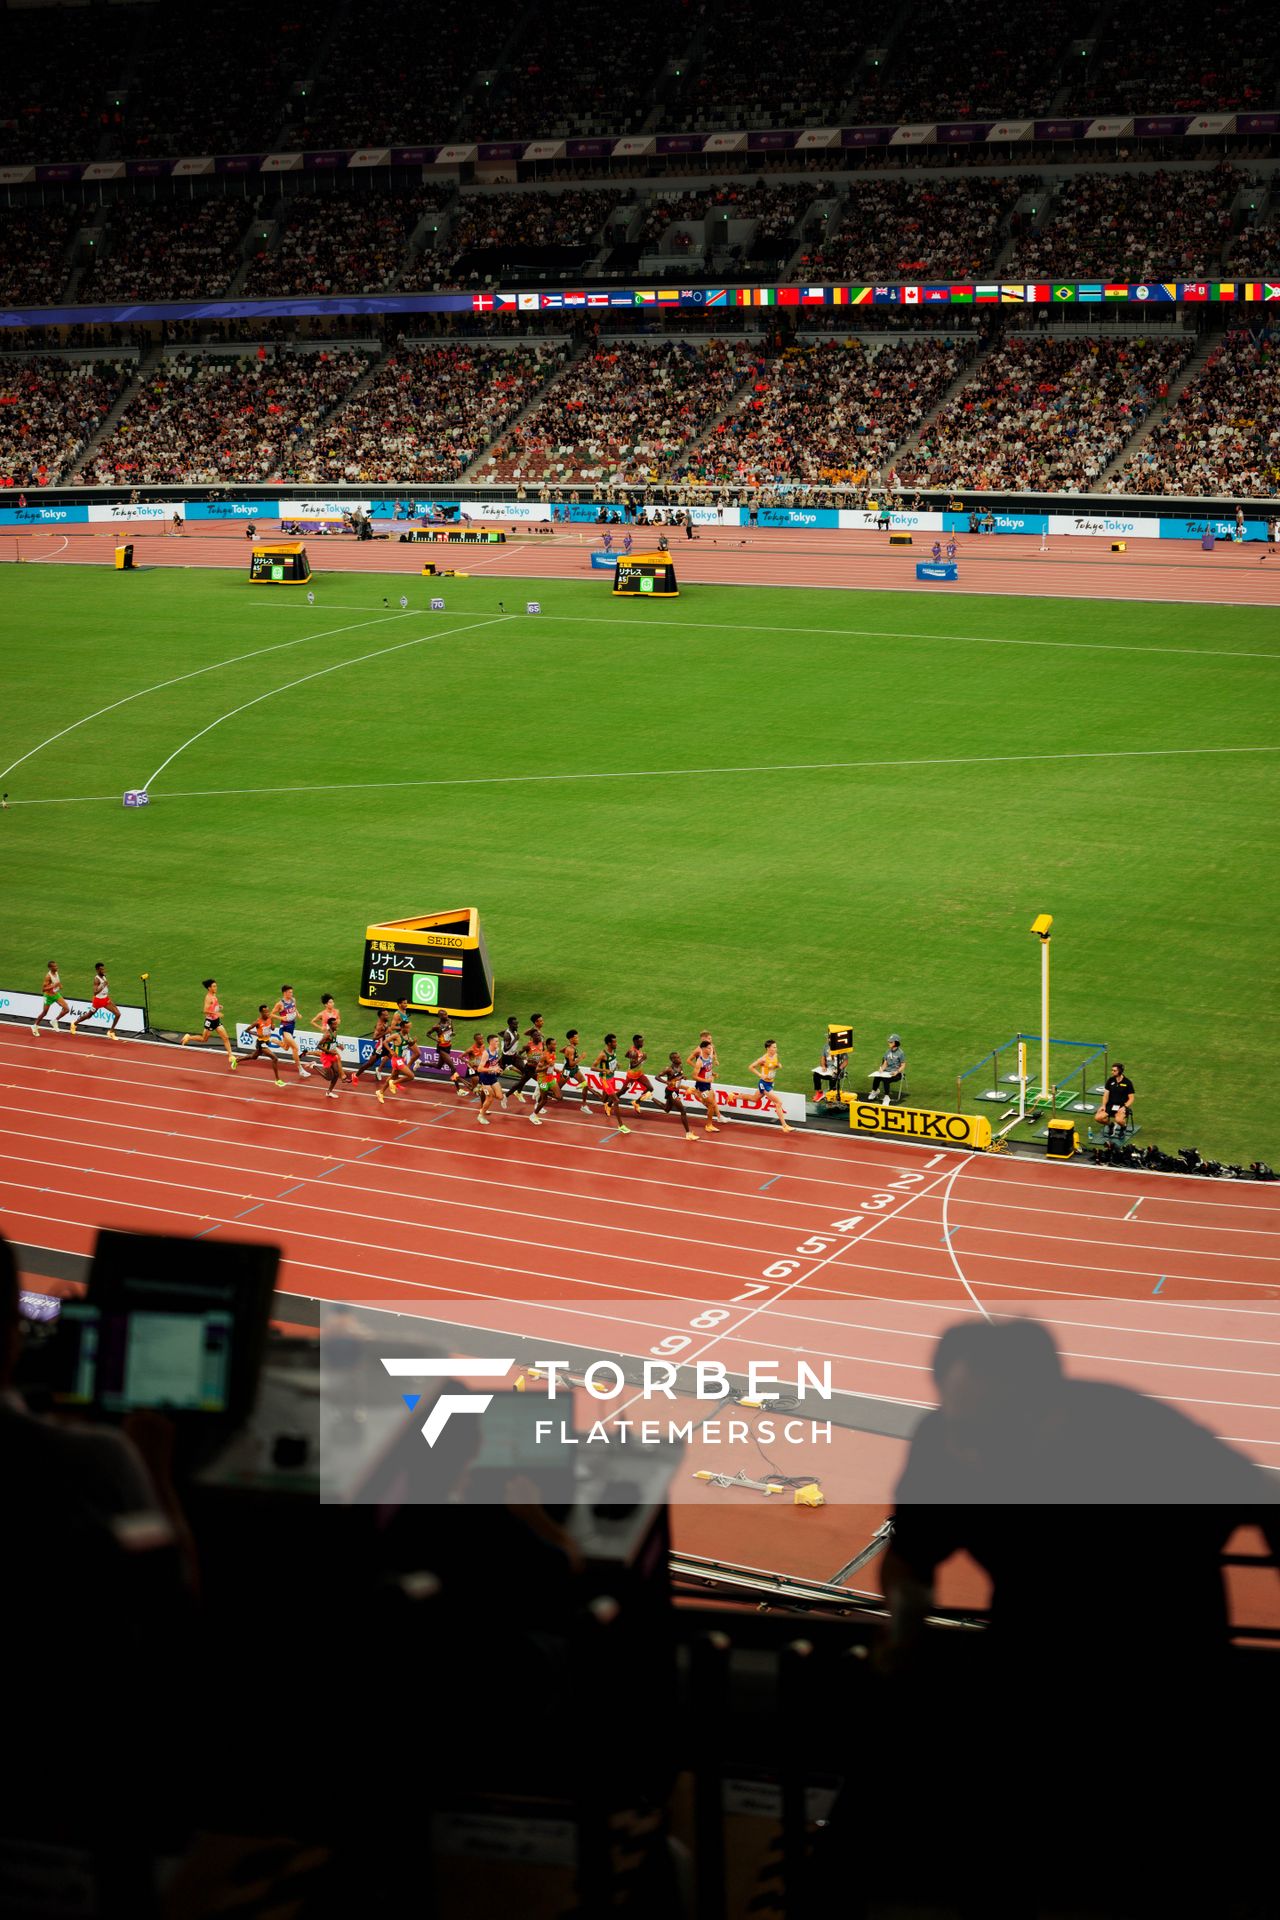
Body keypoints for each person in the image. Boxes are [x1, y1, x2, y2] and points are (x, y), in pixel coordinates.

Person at [181, 978, 236, 1068]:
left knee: (225, 1037)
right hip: (210, 1022)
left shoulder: (214, 996)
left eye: (216, 986)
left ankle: (230, 1056)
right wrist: (216, 1013)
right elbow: (205, 1010)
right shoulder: (208, 998)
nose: (216, 988)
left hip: (216, 1020)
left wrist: (218, 1007)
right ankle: (189, 1037)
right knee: (204, 1039)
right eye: (214, 986)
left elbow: (213, 1006)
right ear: (209, 988)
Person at [590, 1034, 631, 1136]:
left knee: (604, 1100)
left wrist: (616, 1064)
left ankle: (588, 1088)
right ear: (609, 1043)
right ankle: (621, 1125)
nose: (616, 1043)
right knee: (616, 1100)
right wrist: (604, 1070)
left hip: (611, 1078)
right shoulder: (602, 1054)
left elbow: (612, 1060)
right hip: (605, 1080)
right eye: (614, 1042)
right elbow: (592, 1067)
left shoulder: (613, 1051)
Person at [748, 1041, 793, 1131]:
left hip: (770, 1083)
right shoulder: (763, 1059)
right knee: (778, 1103)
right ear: (768, 1048)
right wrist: (760, 1075)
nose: (776, 1049)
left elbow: (773, 1066)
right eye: (774, 1047)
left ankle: (734, 1096)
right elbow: (751, 1067)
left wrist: (777, 1065)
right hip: (764, 1084)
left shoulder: (775, 1055)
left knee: (754, 1099)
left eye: (776, 1047)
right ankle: (784, 1126)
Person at [269, 984, 310, 1077]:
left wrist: (298, 1014)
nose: (291, 993)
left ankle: (274, 1040)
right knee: (295, 1048)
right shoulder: (280, 1004)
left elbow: (294, 1008)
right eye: (290, 992)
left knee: (286, 1047)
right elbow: (271, 1014)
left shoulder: (293, 1000)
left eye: (292, 992)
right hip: (285, 1028)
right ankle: (301, 1070)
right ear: (284, 993)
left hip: (292, 1026)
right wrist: (281, 1018)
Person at [245, 1005, 287, 1086]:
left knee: (253, 1057)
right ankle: (277, 1080)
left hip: (267, 1042)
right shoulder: (257, 1022)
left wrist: (273, 1026)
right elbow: (247, 1030)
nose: (267, 1013)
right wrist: (257, 1035)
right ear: (261, 1013)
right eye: (265, 1012)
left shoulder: (270, 1018)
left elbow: (272, 1028)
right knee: (274, 1058)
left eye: (268, 1011)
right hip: (261, 1043)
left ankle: (236, 1060)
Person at [657, 1052, 696, 1139]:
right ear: (673, 1060)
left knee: (666, 1109)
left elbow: (679, 1075)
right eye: (677, 1058)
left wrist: (683, 1077)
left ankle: (649, 1096)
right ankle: (688, 1134)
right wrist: (666, 1082)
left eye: (679, 1057)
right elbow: (657, 1077)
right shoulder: (669, 1069)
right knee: (683, 1111)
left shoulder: (680, 1066)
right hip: (671, 1092)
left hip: (676, 1090)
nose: (680, 1058)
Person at [79, 961, 122, 1039]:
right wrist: (103, 985)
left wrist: (105, 986)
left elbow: (105, 984)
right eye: (101, 970)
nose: (103, 971)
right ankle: (74, 1023)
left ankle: (111, 1032)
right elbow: (95, 992)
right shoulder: (96, 979)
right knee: (89, 1015)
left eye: (103, 969)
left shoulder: (103, 976)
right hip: (98, 1000)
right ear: (97, 970)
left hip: (105, 998)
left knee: (118, 1014)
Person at [686, 1034, 719, 1133]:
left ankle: (695, 1092)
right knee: (712, 1105)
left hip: (708, 1084)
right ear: (703, 1049)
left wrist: (712, 1073)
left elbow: (708, 1067)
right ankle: (709, 1125)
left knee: (711, 1104)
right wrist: (707, 1080)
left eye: (711, 1048)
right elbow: (694, 1076)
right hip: (702, 1085)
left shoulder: (709, 1055)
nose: (711, 1050)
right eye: (709, 1048)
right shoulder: (699, 1062)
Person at [351, 1007, 392, 1085]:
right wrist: (386, 1032)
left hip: (387, 1047)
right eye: (386, 1015)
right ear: (381, 1016)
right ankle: (355, 1075)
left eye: (388, 1014)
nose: (388, 1016)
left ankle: (394, 1081)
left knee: (396, 1061)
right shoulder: (379, 1025)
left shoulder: (385, 1023)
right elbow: (374, 1038)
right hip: (380, 1048)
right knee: (369, 1063)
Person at [376, 1025, 417, 1105]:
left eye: (409, 1027)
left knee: (393, 1076)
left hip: (401, 1059)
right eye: (408, 1027)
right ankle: (394, 1083)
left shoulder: (407, 1036)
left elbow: (409, 1044)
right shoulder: (396, 1035)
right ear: (403, 1028)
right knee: (411, 1076)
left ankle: (380, 1092)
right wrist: (390, 1051)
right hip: (397, 1060)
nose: (409, 1029)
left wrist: (413, 1042)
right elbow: (385, 1042)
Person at [1095, 1060, 1135, 1140]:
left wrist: (1124, 1107)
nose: (1112, 1072)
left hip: (1122, 1106)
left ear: (1120, 1071)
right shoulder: (1110, 1080)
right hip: (1110, 1105)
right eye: (1112, 1070)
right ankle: (1111, 1125)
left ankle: (1123, 1128)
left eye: (1114, 1070)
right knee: (1098, 1118)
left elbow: (1131, 1098)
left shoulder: (1127, 1082)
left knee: (1119, 1120)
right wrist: (1103, 1105)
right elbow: (1106, 1095)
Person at [32, 960, 73, 1036]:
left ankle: (54, 1021)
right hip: (48, 996)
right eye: (54, 966)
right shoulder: (48, 977)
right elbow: (43, 989)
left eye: (56, 966)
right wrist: (54, 986)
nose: (56, 967)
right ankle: (34, 1026)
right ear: (50, 968)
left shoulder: (56, 972)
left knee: (66, 1009)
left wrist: (59, 985)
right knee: (44, 1013)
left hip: (56, 994)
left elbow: (57, 981)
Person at [475, 1033, 506, 1126]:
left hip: (492, 1076)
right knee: (490, 1098)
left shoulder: (496, 1050)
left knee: (500, 1097)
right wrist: (493, 1069)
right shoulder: (486, 1053)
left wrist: (498, 1068)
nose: (498, 1043)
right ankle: (481, 1116)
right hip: (484, 1078)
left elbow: (494, 1063)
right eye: (496, 1041)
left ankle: (492, 1097)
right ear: (491, 1042)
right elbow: (479, 1069)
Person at [530, 1037, 561, 1126]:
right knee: (544, 1100)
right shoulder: (543, 1056)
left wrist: (555, 1069)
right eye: (554, 1044)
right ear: (548, 1045)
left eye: (556, 1044)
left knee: (559, 1097)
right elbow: (537, 1069)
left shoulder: (553, 1053)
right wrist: (545, 1067)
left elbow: (551, 1065)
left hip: (550, 1078)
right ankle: (533, 1115)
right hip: (542, 1080)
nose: (556, 1046)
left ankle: (540, 1093)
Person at [868, 1033, 905, 1104]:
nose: (889, 1043)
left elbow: (903, 1065)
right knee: (877, 1077)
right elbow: (885, 1063)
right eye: (889, 1041)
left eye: (891, 1042)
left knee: (886, 1079)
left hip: (896, 1074)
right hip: (887, 1072)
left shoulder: (901, 1053)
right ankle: (874, 1091)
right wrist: (881, 1069)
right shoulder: (887, 1051)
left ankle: (887, 1097)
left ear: (896, 1043)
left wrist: (897, 1072)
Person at [312, 1015, 343, 1098]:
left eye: (336, 1024)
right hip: (326, 1057)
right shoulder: (326, 1035)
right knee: (328, 1077)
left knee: (336, 1074)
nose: (336, 1025)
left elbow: (334, 1042)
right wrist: (329, 1051)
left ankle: (329, 1092)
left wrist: (339, 1045)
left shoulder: (335, 1032)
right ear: (330, 1025)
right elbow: (318, 1046)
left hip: (332, 1056)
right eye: (334, 1024)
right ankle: (314, 1066)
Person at [559, 1028, 589, 1109]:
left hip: (574, 1069)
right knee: (557, 1090)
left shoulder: (570, 1047)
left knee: (585, 1085)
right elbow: (571, 1063)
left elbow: (560, 1051)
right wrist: (581, 1058)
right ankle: (540, 1093)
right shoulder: (571, 1049)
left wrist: (567, 1053)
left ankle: (584, 1105)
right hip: (567, 1071)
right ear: (571, 1039)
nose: (578, 1039)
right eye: (576, 1038)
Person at [623, 1034, 653, 1109]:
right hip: (631, 1077)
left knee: (650, 1088)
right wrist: (642, 1059)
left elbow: (626, 1055)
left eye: (642, 1042)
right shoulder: (634, 1052)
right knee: (623, 1091)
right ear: (635, 1042)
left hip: (639, 1074)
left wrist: (630, 1054)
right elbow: (632, 1066)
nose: (642, 1044)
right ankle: (609, 1104)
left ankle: (636, 1102)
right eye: (641, 1042)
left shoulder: (637, 1049)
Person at [812, 1039, 843, 1105]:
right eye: (828, 1039)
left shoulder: (841, 1048)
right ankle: (819, 1093)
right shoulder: (825, 1046)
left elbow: (845, 1061)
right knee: (816, 1074)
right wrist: (823, 1066)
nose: (828, 1040)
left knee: (833, 1076)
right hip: (828, 1070)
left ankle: (831, 1095)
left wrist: (839, 1068)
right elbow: (822, 1058)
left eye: (830, 1039)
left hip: (838, 1070)